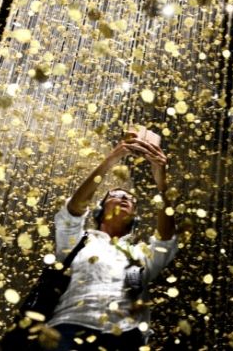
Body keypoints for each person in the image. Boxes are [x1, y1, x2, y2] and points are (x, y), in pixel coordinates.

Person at [46, 129, 177, 350]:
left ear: (135, 217)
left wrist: (162, 183)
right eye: (117, 195)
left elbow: (166, 238)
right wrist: (112, 158)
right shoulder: (79, 241)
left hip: (125, 336)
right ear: (99, 210)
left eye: (131, 199)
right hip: (68, 328)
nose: (125, 198)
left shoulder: (139, 254)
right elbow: (74, 209)